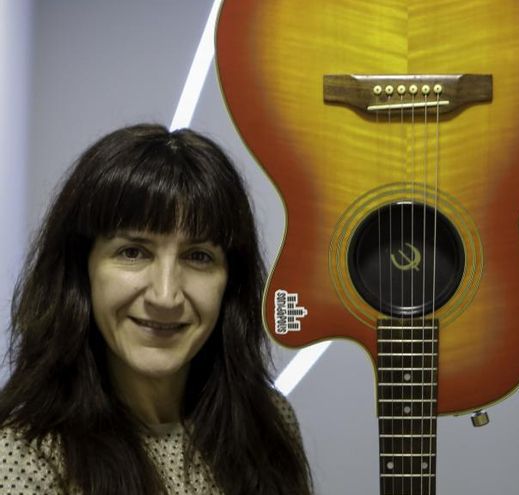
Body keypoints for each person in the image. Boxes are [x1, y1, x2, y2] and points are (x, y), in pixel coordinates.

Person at [0, 124, 312, 494]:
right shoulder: (25, 455)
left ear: (231, 283)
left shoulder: (268, 423)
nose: (166, 296)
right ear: (80, 270)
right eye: (133, 252)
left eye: (198, 257)